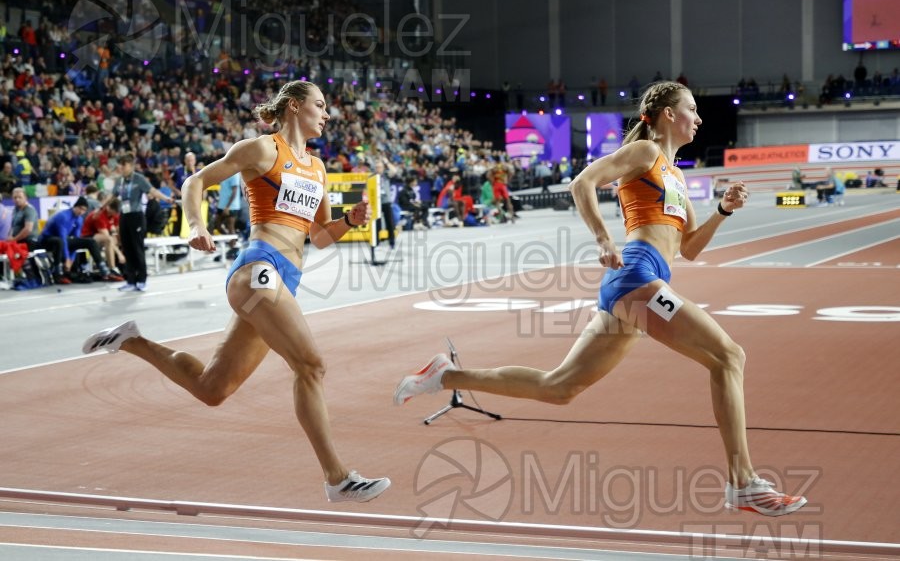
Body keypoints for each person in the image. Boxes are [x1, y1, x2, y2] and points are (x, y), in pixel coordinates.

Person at [395, 81, 807, 518]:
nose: (699, 118)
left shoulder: (678, 176)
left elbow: (689, 248)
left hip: (644, 281)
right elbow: (582, 183)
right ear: (668, 114)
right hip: (635, 275)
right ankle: (742, 482)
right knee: (728, 356)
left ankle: (447, 376)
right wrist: (602, 239)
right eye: (691, 109)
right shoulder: (646, 153)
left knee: (560, 387)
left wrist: (722, 212)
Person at [82, 80, 390, 504]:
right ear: (296, 106)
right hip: (258, 268)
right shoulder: (263, 150)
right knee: (311, 366)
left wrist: (350, 220)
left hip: (286, 281)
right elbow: (195, 182)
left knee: (212, 389)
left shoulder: (318, 168)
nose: (326, 114)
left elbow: (318, 237)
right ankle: (337, 477)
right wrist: (197, 226)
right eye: (320, 105)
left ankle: (130, 339)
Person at [113, 153, 169, 292]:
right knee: (127, 249)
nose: (121, 167)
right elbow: (112, 196)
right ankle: (131, 281)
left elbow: (152, 191)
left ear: (131, 166)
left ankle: (142, 280)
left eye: (124, 165)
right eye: (120, 164)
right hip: (124, 216)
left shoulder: (139, 179)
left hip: (137, 217)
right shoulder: (119, 181)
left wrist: (166, 199)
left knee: (137, 249)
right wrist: (100, 207)